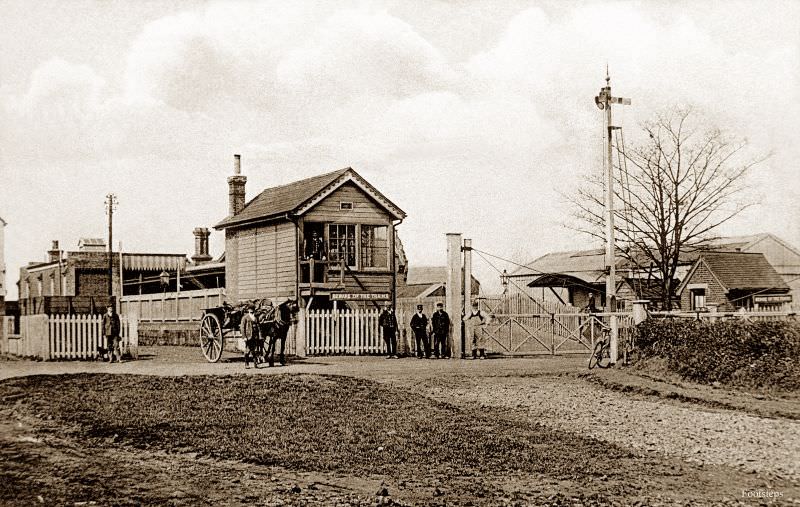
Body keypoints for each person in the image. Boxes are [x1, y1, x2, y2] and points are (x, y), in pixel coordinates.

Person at [240, 304, 259, 368]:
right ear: (248, 310)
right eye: (250, 310)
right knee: (248, 350)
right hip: (248, 336)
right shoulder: (245, 317)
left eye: (252, 310)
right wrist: (244, 337)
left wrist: (259, 336)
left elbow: (258, 327)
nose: (251, 311)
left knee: (254, 350)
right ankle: (246, 364)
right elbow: (242, 328)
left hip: (255, 336)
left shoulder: (255, 318)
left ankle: (255, 364)